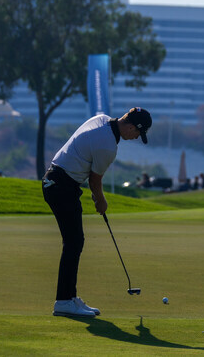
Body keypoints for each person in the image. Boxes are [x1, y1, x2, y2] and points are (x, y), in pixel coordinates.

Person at [42, 107, 152, 318]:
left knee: (74, 242)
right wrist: (101, 201)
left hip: (59, 182)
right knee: (74, 243)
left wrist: (96, 196)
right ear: (130, 127)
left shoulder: (101, 119)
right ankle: (64, 301)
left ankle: (69, 297)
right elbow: (95, 180)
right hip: (60, 186)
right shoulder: (108, 146)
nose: (137, 137)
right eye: (138, 133)